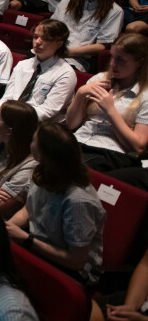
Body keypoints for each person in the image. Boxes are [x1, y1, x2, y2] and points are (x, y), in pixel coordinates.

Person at [6, 122, 106, 286]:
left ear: (43, 153)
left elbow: (76, 261)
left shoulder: (78, 201)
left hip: (71, 271)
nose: (30, 143)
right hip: (37, 244)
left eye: (34, 140)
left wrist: (26, 240)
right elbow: (28, 209)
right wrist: (7, 229)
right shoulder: (42, 172)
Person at [66, 32, 148, 172]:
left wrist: (110, 110)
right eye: (112, 57)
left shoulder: (145, 95)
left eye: (121, 60)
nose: (112, 64)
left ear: (139, 62)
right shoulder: (100, 79)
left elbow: (138, 146)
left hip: (110, 152)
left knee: (69, 168)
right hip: (78, 141)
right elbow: (71, 124)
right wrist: (80, 94)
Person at [0, 19, 77, 123]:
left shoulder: (65, 74)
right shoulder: (23, 65)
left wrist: (11, 117)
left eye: (45, 39)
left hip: (38, 124)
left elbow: (48, 111)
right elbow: (7, 97)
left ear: (59, 43)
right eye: (35, 37)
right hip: (9, 117)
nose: (37, 42)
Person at [50, 0, 123, 70]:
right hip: (51, 51)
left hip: (76, 60)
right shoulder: (67, 1)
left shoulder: (115, 11)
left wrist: (67, 52)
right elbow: (52, 28)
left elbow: (103, 46)